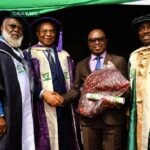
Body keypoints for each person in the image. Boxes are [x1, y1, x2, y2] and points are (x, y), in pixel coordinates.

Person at [62, 28, 129, 150]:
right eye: (92, 40)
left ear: (106, 41)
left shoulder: (119, 61)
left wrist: (115, 101)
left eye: (100, 39)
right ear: (88, 43)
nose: (96, 43)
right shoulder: (81, 64)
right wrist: (62, 99)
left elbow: (127, 90)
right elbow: (76, 89)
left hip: (112, 118)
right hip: (88, 121)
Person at [25, 17, 81, 150]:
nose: (48, 34)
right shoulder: (28, 54)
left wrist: (64, 98)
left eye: (52, 31)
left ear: (56, 34)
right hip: (41, 109)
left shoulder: (64, 54)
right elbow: (25, 83)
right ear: (37, 34)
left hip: (65, 108)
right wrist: (42, 93)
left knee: (66, 141)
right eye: (44, 31)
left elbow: (75, 84)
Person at [0, 17, 35, 150]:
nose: (17, 30)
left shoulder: (20, 53)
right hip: (8, 112)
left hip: (23, 110)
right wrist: (0, 115)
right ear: (2, 28)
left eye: (20, 28)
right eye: (12, 26)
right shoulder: (1, 51)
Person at [128, 13, 150, 150]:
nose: (145, 31)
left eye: (149, 27)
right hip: (139, 111)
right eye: (142, 28)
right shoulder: (134, 56)